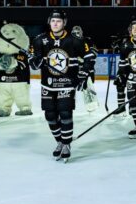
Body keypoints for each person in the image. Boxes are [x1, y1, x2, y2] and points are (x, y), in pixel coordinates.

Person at [28, 10, 95, 162]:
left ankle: (66, 144)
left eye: (58, 21)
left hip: (67, 84)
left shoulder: (74, 40)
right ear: (49, 22)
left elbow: (89, 56)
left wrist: (83, 75)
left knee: (65, 114)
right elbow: (33, 62)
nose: (55, 24)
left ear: (64, 23)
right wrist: (35, 61)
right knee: (50, 115)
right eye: (53, 21)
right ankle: (59, 141)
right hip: (48, 85)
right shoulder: (40, 40)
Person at [0, 21, 32, 117]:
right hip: (3, 80)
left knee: (21, 95)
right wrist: (1, 64)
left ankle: (25, 108)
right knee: (3, 96)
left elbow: (22, 65)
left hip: (20, 80)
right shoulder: (0, 54)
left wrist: (12, 62)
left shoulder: (22, 54)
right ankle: (3, 109)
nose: (8, 34)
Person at [71, 26, 99, 113]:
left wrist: (85, 59)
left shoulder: (87, 40)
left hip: (87, 68)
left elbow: (94, 52)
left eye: (78, 32)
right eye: (75, 33)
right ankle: (67, 105)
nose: (77, 34)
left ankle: (91, 105)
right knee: (70, 87)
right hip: (75, 68)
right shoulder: (70, 41)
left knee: (87, 86)